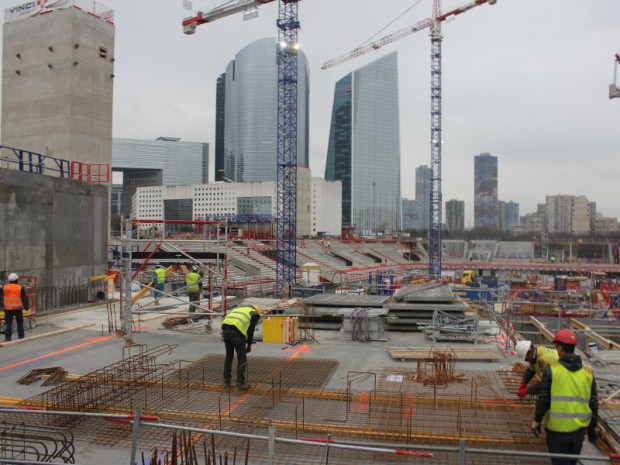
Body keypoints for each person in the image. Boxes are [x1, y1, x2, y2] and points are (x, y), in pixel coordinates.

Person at [532, 329, 598, 465]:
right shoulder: (588, 373)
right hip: (578, 432)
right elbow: (593, 403)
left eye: (557, 346)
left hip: (557, 431)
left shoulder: (551, 370)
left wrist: (537, 421)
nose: (556, 349)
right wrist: (592, 428)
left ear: (561, 348)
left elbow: (543, 399)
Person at [221, 304, 261, 390]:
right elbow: (250, 331)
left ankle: (226, 382)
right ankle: (240, 383)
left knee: (229, 357)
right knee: (242, 358)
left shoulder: (237, 309)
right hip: (236, 334)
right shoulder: (254, 314)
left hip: (225, 331)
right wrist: (249, 345)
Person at [0, 273, 29, 341]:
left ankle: (8, 338)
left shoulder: (4, 287)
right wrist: (26, 307)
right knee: (19, 323)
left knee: (8, 323)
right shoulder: (20, 287)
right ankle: (21, 336)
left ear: (9, 280)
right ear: (16, 280)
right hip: (18, 309)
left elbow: (1, 297)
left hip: (8, 309)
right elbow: (24, 298)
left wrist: (2, 305)